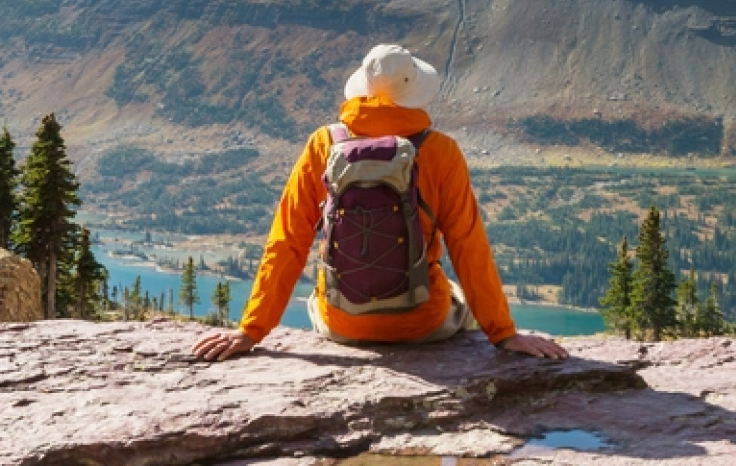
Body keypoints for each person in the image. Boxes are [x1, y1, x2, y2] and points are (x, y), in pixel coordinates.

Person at [192, 44, 570, 361]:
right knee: (453, 293)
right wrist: (505, 335)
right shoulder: (441, 152)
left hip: (341, 325)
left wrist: (251, 330)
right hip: (423, 325)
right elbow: (468, 246)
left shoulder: (324, 145)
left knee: (318, 296)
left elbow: (287, 240)